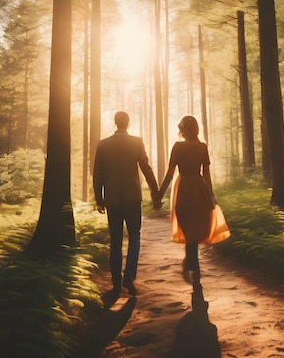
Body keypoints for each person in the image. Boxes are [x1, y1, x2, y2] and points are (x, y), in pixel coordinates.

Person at [156, 115, 230, 296]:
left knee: (191, 230)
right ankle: (193, 267)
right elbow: (206, 175)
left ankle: (191, 263)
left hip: (184, 189)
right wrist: (210, 194)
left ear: (183, 128)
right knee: (194, 230)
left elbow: (170, 172)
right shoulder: (201, 147)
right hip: (198, 187)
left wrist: (159, 194)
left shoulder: (179, 147)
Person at [93, 111, 160, 296]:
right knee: (134, 237)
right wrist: (156, 192)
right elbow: (146, 168)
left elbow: (97, 173)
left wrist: (99, 199)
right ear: (127, 123)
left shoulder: (103, 145)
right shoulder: (136, 142)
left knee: (115, 240)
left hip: (112, 199)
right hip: (132, 197)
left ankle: (115, 281)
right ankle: (129, 275)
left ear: (115, 123)